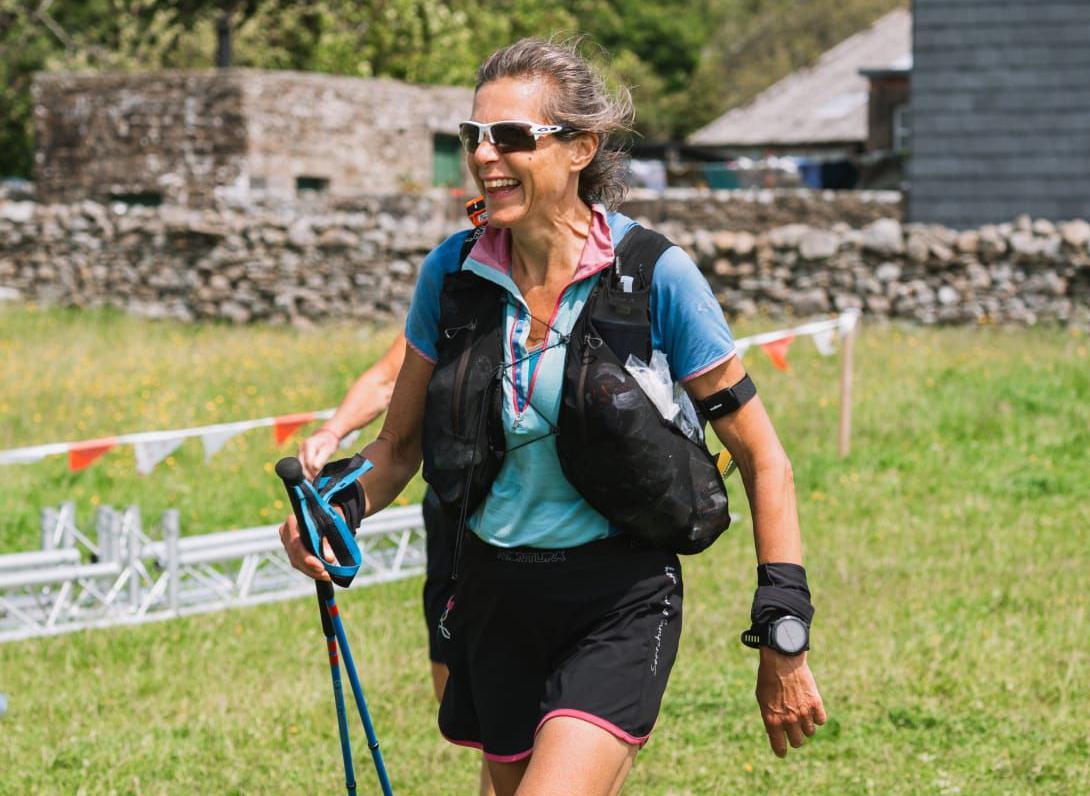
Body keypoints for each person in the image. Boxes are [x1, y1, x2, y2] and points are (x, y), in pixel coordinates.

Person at [279, 36, 825, 796]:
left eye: (511, 137)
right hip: (495, 599)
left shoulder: (655, 277)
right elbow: (398, 448)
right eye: (475, 136)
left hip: (618, 600)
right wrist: (333, 507)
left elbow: (767, 460)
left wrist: (783, 629)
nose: (485, 157)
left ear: (580, 149)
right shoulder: (453, 275)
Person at [296, 333, 497, 796]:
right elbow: (389, 381)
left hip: (538, 537)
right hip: (454, 518)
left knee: (514, 711)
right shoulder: (455, 285)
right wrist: (333, 431)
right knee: (462, 702)